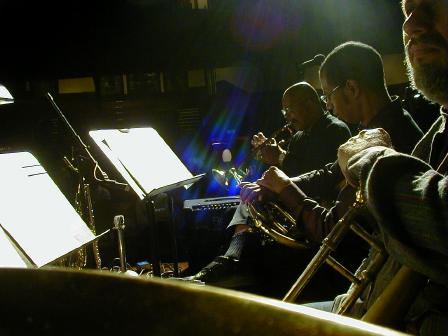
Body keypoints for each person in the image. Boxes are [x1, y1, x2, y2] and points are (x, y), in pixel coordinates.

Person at [188, 42, 423, 292]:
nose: (328, 104)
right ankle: (230, 264)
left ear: (352, 89)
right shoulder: (381, 127)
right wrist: (278, 185)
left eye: (327, 94)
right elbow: (329, 172)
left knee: (265, 267)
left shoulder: (384, 140)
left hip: (354, 260)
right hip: (350, 245)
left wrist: (286, 188)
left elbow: (332, 228)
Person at [333, 0, 448, 334]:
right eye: (407, 11)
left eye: (432, 6)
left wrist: (373, 159)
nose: (411, 26)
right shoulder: (434, 136)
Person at [187, 81, 351, 285]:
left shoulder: (335, 129)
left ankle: (228, 263)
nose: (288, 117)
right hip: (294, 200)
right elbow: (289, 172)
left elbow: (322, 176)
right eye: (285, 112)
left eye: (290, 109)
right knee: (239, 207)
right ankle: (223, 263)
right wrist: (267, 161)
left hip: (313, 207)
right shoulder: (299, 136)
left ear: (309, 104)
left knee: (247, 207)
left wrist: (280, 158)